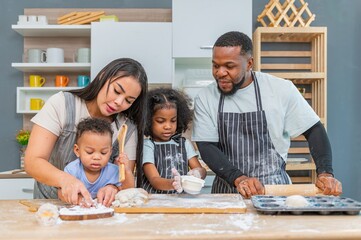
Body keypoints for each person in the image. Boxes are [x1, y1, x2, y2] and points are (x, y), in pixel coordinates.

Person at [192, 31, 342, 198]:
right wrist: (238, 178)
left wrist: (325, 173)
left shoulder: (280, 90)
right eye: (215, 65)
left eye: (229, 66)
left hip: (275, 192)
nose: (220, 73)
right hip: (227, 193)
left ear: (249, 64)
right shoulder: (205, 97)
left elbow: (314, 130)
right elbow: (206, 146)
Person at [25, 58, 148, 207]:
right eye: (116, 91)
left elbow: (124, 177)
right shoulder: (62, 103)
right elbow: (33, 161)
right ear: (103, 76)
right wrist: (66, 180)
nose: (119, 102)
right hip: (49, 204)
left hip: (96, 209)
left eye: (128, 101)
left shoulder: (126, 128)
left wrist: (113, 188)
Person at [142, 88, 206, 193]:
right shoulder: (148, 146)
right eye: (160, 121)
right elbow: (154, 180)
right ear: (148, 121)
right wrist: (174, 184)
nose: (168, 126)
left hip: (181, 201)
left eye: (173, 121)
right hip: (156, 201)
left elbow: (201, 170)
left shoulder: (184, 144)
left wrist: (197, 173)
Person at [58, 117, 121, 203]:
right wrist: (79, 200)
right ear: (77, 150)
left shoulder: (113, 171)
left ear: (110, 152)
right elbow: (61, 192)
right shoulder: (72, 170)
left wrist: (126, 171)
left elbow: (126, 189)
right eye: (90, 152)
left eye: (103, 153)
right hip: (78, 212)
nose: (97, 157)